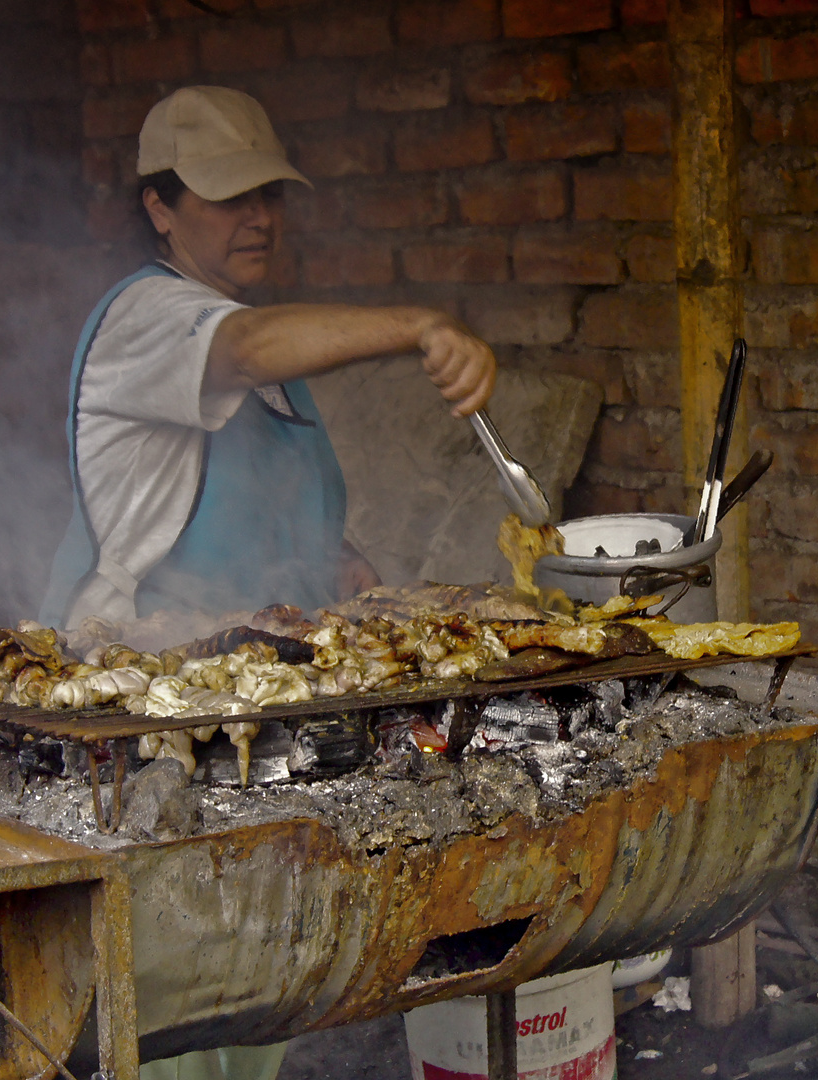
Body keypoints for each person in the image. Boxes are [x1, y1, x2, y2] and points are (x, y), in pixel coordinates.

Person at [39, 86, 496, 1079]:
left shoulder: (257, 346)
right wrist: (421, 323)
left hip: (254, 716)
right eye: (224, 195)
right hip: (147, 708)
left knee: (253, 992)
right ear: (159, 206)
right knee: (168, 1008)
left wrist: (342, 567)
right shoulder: (149, 319)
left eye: (269, 195)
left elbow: (275, 502)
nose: (256, 216)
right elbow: (239, 349)